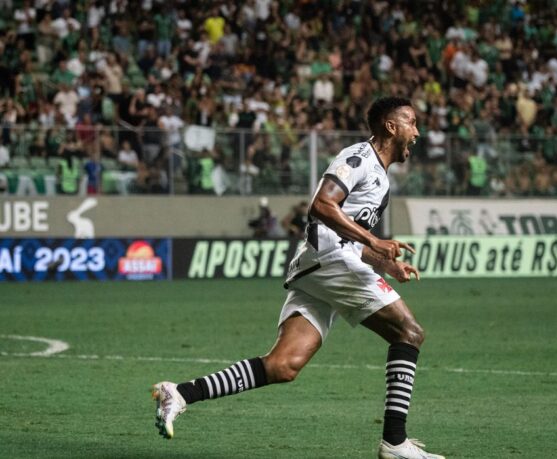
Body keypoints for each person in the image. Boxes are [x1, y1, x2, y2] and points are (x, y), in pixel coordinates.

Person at [152, 97, 444, 459]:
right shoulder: (359, 158)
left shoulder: (380, 176)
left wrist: (384, 262)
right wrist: (374, 240)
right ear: (391, 126)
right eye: (411, 123)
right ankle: (395, 442)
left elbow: (348, 235)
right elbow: (322, 206)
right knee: (409, 332)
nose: (416, 132)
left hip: (321, 263)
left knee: (283, 365)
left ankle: (180, 393)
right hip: (327, 259)